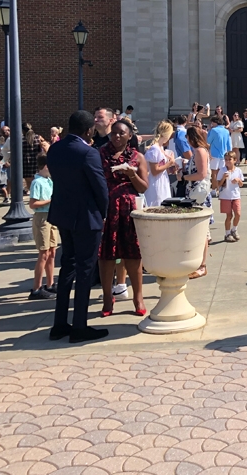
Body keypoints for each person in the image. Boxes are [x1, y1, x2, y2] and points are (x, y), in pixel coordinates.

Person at [47, 111, 110, 343]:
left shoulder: (55, 149)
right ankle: (80, 326)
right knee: (85, 271)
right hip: (86, 217)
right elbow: (100, 189)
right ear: (88, 131)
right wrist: (103, 214)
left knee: (68, 267)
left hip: (64, 215)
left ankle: (60, 324)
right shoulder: (88, 153)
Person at [97, 118, 149, 318]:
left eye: (121, 133)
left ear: (129, 136)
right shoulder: (100, 154)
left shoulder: (137, 157)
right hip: (107, 209)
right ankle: (107, 297)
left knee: (132, 254)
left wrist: (131, 174)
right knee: (106, 254)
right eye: (114, 133)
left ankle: (138, 297)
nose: (117, 137)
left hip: (128, 209)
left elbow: (143, 187)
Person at [181, 126, 212, 279]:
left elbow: (201, 174)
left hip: (198, 195)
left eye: (187, 137)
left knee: (202, 231)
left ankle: (202, 265)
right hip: (193, 193)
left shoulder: (200, 151)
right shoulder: (198, 151)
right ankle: (198, 263)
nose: (186, 140)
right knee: (197, 230)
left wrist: (184, 177)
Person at [28, 154, 59, 300]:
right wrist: (49, 201)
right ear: (46, 166)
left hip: (52, 217)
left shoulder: (49, 181)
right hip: (42, 218)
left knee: (52, 252)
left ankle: (50, 283)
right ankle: (36, 288)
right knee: (43, 253)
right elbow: (33, 204)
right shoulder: (37, 182)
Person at [143, 120, 176, 207]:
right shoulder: (154, 149)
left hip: (162, 181)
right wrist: (170, 163)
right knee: (157, 205)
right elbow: (155, 171)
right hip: (155, 184)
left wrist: (171, 166)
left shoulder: (160, 148)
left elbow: (161, 168)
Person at [217, 151, 244, 242]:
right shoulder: (222, 170)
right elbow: (218, 184)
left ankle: (234, 229)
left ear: (235, 160)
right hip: (225, 196)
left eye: (230, 159)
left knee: (238, 214)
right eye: (226, 160)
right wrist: (223, 178)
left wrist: (238, 180)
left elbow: (241, 184)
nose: (227, 161)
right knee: (229, 215)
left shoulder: (238, 171)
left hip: (235, 195)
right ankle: (227, 233)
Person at [207, 115, 232, 194]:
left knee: (214, 173)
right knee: (222, 172)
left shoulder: (214, 130)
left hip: (214, 154)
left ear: (215, 122)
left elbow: (208, 141)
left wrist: (209, 131)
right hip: (224, 154)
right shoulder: (226, 131)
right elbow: (229, 145)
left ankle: (214, 189)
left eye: (212, 123)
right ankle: (221, 188)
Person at [22, 123, 43, 194]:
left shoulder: (22, 139)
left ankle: (32, 193)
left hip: (26, 161)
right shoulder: (38, 137)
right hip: (36, 160)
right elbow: (41, 149)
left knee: (28, 180)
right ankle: (37, 193)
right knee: (36, 178)